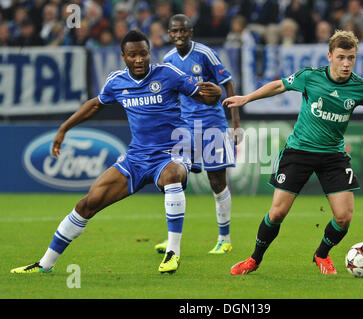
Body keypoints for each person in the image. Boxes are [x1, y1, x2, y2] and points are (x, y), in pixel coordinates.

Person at [10, 30, 222, 275]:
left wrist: (215, 94)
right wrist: (64, 128)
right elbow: (95, 105)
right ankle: (44, 264)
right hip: (137, 157)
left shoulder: (168, 74)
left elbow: (205, 96)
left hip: (172, 150)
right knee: (87, 204)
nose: (139, 59)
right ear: (124, 56)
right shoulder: (117, 82)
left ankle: (172, 253)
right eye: (133, 55)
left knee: (172, 175)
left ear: (149, 53)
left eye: (143, 53)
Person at [223, 30, 363, 276]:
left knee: (344, 217)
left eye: (351, 58)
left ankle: (321, 254)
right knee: (277, 212)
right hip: (299, 151)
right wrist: (247, 98)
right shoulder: (310, 77)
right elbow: (279, 85)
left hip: (333, 156)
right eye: (341, 57)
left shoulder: (362, 87)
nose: (346, 63)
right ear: (330, 56)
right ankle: (254, 259)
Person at [154, 14, 240, 255]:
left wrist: (235, 123)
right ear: (169, 34)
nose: (179, 35)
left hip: (212, 123)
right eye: (174, 31)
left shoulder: (205, 53)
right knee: (174, 180)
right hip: (183, 127)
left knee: (216, 182)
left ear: (190, 32)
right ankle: (171, 239)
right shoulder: (168, 59)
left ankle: (225, 238)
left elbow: (228, 83)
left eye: (183, 31)